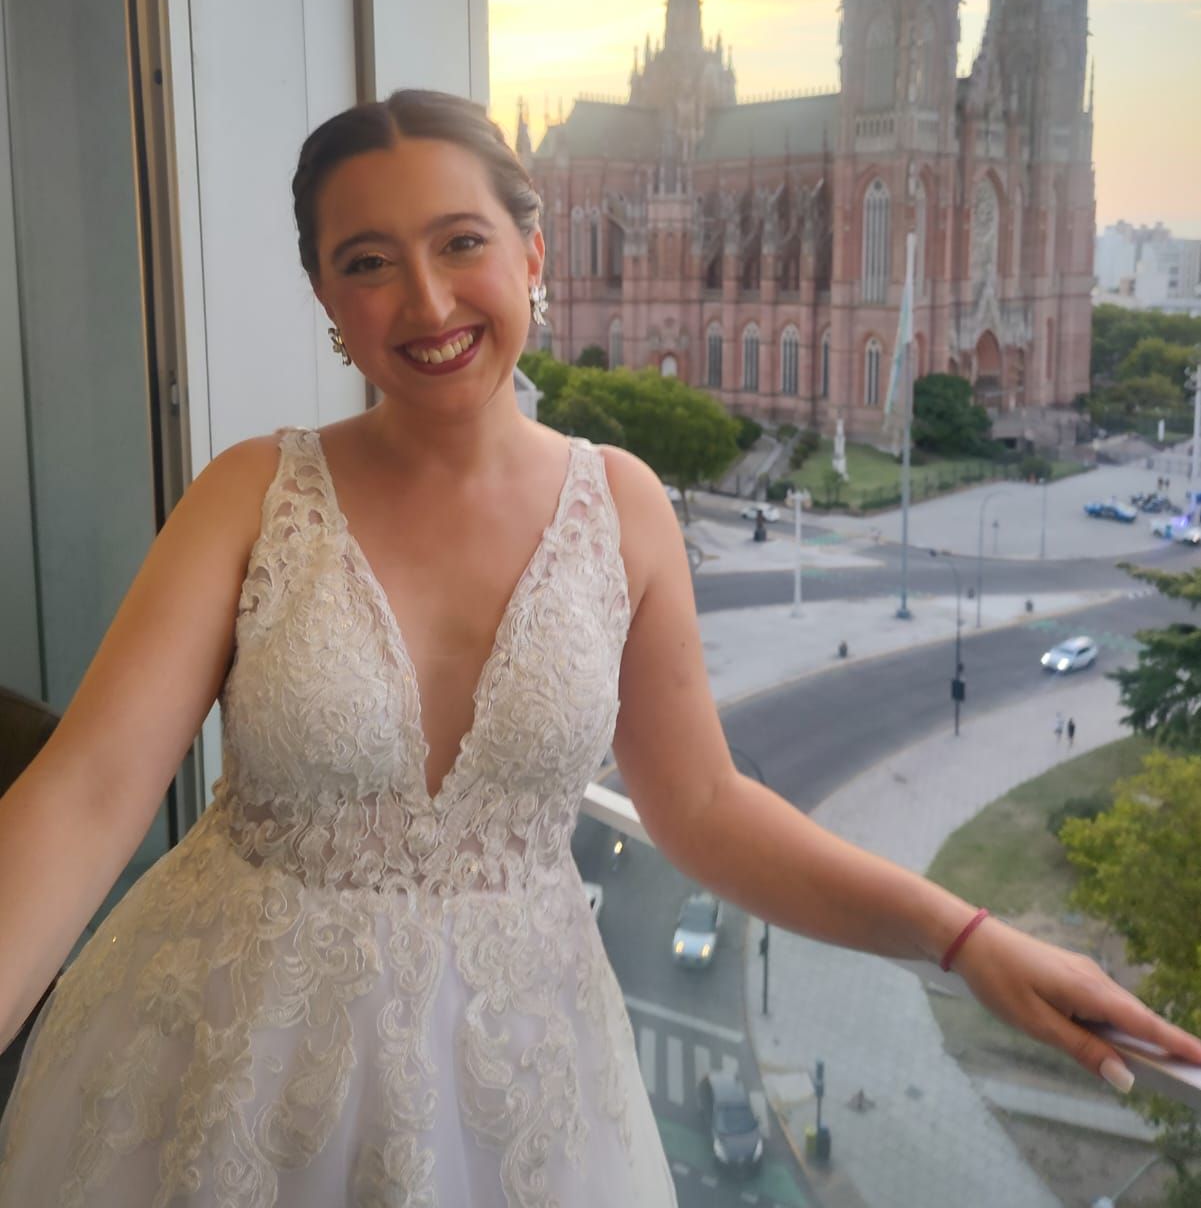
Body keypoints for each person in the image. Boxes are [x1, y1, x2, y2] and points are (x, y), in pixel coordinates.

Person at [1, 89, 1199, 1207]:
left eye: (460, 242)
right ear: (325, 298)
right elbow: (90, 793)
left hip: (521, 1080)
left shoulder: (621, 505)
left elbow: (703, 806)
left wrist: (966, 938)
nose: (425, 302)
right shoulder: (248, 495)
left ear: (533, 251)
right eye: (366, 263)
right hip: (229, 1059)